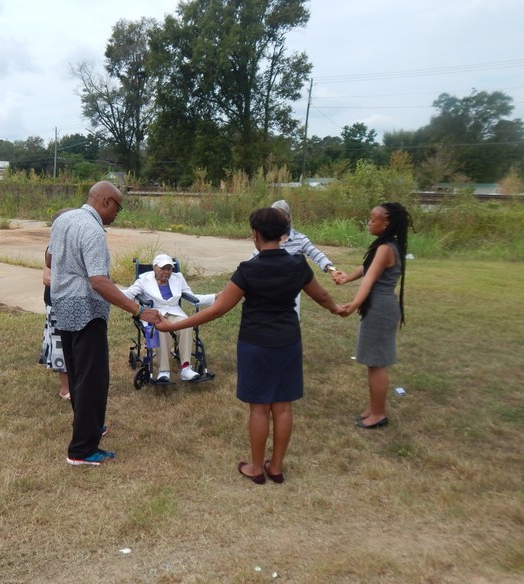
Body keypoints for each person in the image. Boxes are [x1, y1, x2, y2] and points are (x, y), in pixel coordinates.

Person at [156, 207, 341, 484]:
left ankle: (256, 467)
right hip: (288, 341)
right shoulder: (298, 264)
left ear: (255, 234)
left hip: (255, 344)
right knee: (283, 407)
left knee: (259, 408)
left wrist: (172, 326)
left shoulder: (248, 270)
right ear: (283, 235)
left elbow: (218, 310)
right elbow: (323, 296)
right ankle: (276, 466)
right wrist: (338, 309)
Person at [47, 181, 162, 466]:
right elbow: (98, 280)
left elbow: (49, 256)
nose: (116, 216)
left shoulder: (64, 220)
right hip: (86, 312)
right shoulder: (93, 229)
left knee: (77, 375)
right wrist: (137, 310)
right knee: (93, 379)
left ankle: (89, 427)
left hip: (63, 306)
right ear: (107, 201)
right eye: (118, 209)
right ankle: (82, 450)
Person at [334, 202, 413, 429]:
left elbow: (370, 279)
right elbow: (366, 268)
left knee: (377, 364)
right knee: (373, 362)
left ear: (386, 223)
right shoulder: (386, 246)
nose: (369, 222)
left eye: (373, 219)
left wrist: (354, 304)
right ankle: (373, 408)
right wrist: (347, 277)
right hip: (379, 307)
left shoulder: (386, 248)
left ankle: (378, 414)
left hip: (380, 309)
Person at [122, 253, 218, 382]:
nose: (166, 272)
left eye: (169, 269)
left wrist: (215, 297)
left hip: (174, 312)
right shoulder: (143, 279)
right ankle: (164, 370)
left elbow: (193, 297)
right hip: (155, 313)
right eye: (163, 268)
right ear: (155, 268)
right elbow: (127, 295)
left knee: (187, 324)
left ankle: (186, 368)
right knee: (160, 329)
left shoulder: (178, 278)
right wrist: (107, 292)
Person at [268, 199, 341, 317]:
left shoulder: (299, 239)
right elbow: (255, 260)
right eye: (273, 216)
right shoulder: (266, 238)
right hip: (268, 290)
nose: (276, 220)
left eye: (280, 216)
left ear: (288, 218)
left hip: (291, 292)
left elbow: (316, 254)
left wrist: (332, 269)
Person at [39, 208, 72, 401]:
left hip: (72, 302)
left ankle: (74, 384)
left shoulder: (74, 246)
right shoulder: (52, 247)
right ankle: (65, 389)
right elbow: (46, 278)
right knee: (60, 346)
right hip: (56, 303)